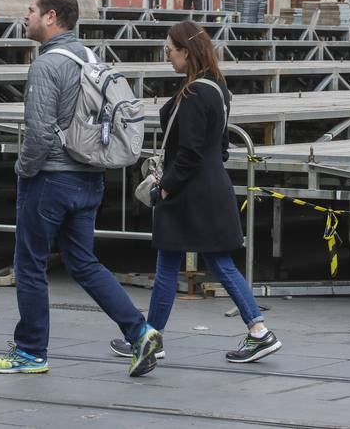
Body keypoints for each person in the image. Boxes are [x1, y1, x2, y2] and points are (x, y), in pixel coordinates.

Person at [0, 0, 163, 377]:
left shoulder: (47, 65)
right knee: (83, 262)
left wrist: (24, 171)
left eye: (31, 10)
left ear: (51, 17)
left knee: (29, 265)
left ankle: (31, 351)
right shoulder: (89, 57)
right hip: (90, 178)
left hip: (51, 180)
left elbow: (40, 132)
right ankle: (140, 330)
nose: (25, 16)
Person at [109, 20, 281, 365]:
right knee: (215, 262)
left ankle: (155, 338)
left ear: (185, 52)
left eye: (169, 51)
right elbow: (219, 148)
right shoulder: (218, 87)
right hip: (210, 187)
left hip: (187, 193)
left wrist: (165, 189)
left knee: (172, 263)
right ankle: (255, 331)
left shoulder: (192, 94)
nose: (168, 58)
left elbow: (188, 153)